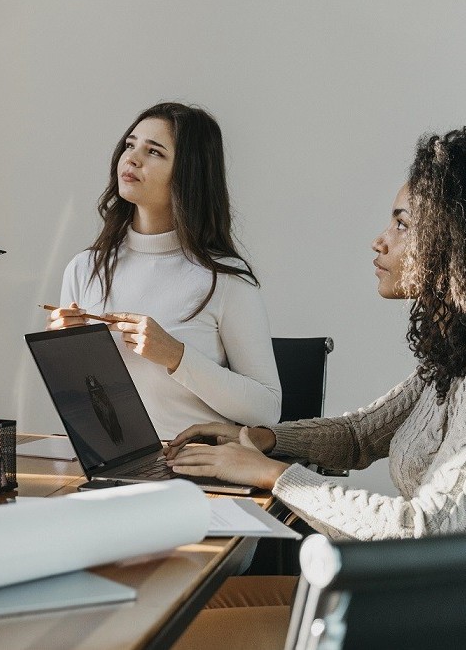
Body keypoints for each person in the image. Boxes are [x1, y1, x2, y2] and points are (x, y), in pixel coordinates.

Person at [168, 126, 466, 650]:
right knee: (179, 608)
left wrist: (273, 475)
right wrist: (264, 439)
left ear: (451, 240)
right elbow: (357, 436)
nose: (380, 240)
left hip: (422, 623)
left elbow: (419, 530)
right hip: (403, 602)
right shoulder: (450, 360)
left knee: (173, 635)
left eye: (401, 224)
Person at [48, 102, 280, 438]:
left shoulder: (226, 279)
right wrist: (60, 352)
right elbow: (77, 400)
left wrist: (176, 356)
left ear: (188, 173)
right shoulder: (84, 269)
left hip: (193, 469)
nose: (132, 158)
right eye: (130, 145)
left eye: (154, 151)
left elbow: (267, 409)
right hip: (104, 467)